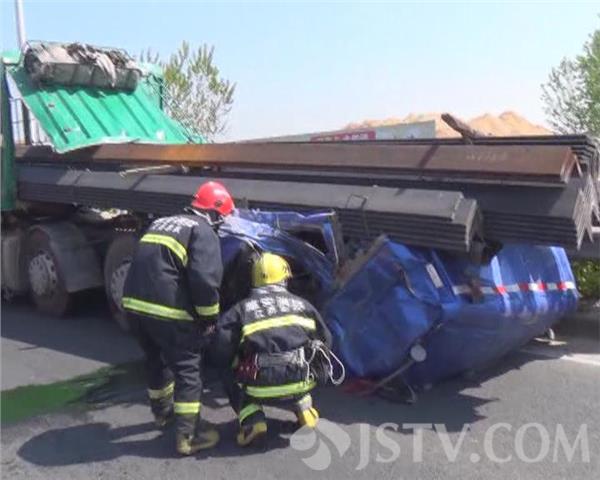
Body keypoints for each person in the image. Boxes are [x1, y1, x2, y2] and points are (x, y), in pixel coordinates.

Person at [122, 181, 234, 456]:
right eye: (222, 218)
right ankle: (188, 436)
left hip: (133, 307)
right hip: (168, 312)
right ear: (214, 212)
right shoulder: (202, 231)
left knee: (156, 360)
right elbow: (205, 280)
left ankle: (162, 414)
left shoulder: (161, 222)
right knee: (188, 370)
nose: (222, 224)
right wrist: (209, 319)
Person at [213, 252, 333, 447]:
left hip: (258, 384)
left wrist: (237, 359)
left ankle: (253, 420)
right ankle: (304, 409)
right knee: (305, 357)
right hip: (301, 381)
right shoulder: (304, 306)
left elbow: (220, 349)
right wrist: (317, 369)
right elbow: (326, 340)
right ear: (284, 278)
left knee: (226, 370)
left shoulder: (240, 310)